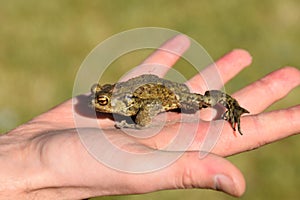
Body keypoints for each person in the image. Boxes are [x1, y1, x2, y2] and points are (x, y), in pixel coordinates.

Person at [0, 35, 299, 199]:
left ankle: (232, 105)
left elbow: (144, 115)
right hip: (147, 91)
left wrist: (130, 121)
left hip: (169, 94)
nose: (95, 103)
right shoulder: (121, 100)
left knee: (200, 101)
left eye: (102, 100)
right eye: (97, 98)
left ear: (114, 99)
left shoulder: (127, 103)